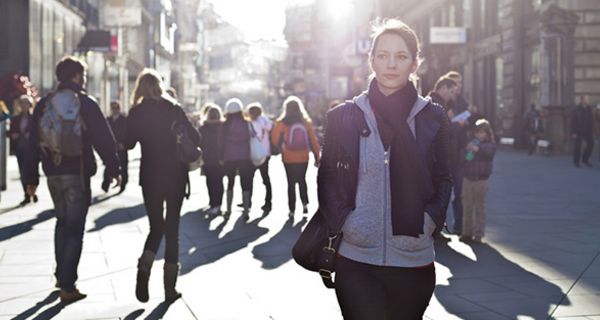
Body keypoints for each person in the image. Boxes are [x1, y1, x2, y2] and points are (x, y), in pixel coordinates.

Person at [317, 18, 452, 319]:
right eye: (383, 55)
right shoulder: (343, 117)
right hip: (356, 258)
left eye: (401, 56)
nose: (391, 64)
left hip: (413, 259)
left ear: (415, 63)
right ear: (372, 60)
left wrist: (430, 221)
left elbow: (444, 177)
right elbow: (327, 178)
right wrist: (347, 222)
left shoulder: (434, 117)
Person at [24, 56, 121, 303]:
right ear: (77, 76)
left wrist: (31, 177)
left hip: (52, 173)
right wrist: (113, 167)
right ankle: (68, 285)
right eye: (83, 75)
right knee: (75, 229)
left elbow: (32, 142)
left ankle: (61, 275)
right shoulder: (86, 103)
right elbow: (103, 138)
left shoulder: (44, 104)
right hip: (77, 173)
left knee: (62, 222)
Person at [126, 68, 200, 303]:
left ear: (140, 88)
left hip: (150, 176)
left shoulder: (137, 112)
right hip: (175, 176)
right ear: (159, 86)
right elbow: (196, 139)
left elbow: (128, 144)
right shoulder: (173, 109)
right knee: (173, 230)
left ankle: (144, 268)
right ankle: (170, 289)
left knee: (156, 226)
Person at [271, 96, 320, 218]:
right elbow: (314, 141)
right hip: (303, 156)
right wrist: (317, 157)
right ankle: (304, 204)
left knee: (291, 182)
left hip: (288, 157)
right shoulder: (306, 122)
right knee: (302, 179)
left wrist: (278, 150)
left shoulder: (281, 123)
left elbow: (274, 140)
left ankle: (292, 210)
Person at [460, 119, 497, 244]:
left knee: (480, 207)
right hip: (468, 178)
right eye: (477, 133)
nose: (479, 135)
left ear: (487, 133)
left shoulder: (490, 144)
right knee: (467, 206)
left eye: (482, 133)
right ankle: (466, 232)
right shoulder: (471, 143)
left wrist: (478, 149)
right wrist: (467, 151)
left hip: (481, 180)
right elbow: (466, 158)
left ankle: (479, 233)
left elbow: (489, 153)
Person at [219, 98, 253, 219]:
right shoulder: (247, 123)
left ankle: (228, 209)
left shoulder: (224, 125)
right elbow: (252, 139)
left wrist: (221, 156)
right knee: (246, 182)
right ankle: (246, 211)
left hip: (229, 156)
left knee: (230, 182)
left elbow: (220, 142)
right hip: (245, 156)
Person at [8, 95, 38, 206]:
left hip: (32, 150)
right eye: (22, 103)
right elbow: (10, 132)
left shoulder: (34, 118)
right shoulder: (15, 119)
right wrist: (13, 136)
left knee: (33, 173)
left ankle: (33, 191)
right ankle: (26, 194)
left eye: (26, 103)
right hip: (21, 149)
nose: (24, 106)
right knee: (23, 173)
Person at [247, 102, 274, 211]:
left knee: (249, 179)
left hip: (252, 154)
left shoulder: (249, 123)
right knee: (266, 178)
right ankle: (268, 202)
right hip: (265, 153)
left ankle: (247, 201)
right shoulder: (266, 122)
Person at [199, 103, 225, 216]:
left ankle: (213, 204)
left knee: (210, 182)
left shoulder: (203, 128)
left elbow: (199, 143)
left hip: (207, 159)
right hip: (221, 159)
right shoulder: (223, 127)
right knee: (219, 182)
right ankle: (218, 204)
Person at [102, 101, 128, 193]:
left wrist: (125, 144)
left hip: (121, 146)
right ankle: (106, 183)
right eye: (113, 108)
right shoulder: (107, 120)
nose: (115, 110)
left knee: (123, 166)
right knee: (108, 164)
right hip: (111, 146)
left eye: (117, 107)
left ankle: (123, 184)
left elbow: (128, 133)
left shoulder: (124, 120)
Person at [571, 95, 594, 167]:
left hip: (588, 130)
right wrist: (573, 132)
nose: (588, 100)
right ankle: (576, 161)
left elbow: (591, 119)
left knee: (591, 143)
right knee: (578, 146)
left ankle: (585, 159)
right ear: (582, 100)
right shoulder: (576, 109)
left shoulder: (589, 109)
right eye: (586, 99)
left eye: (588, 99)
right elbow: (572, 122)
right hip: (578, 130)